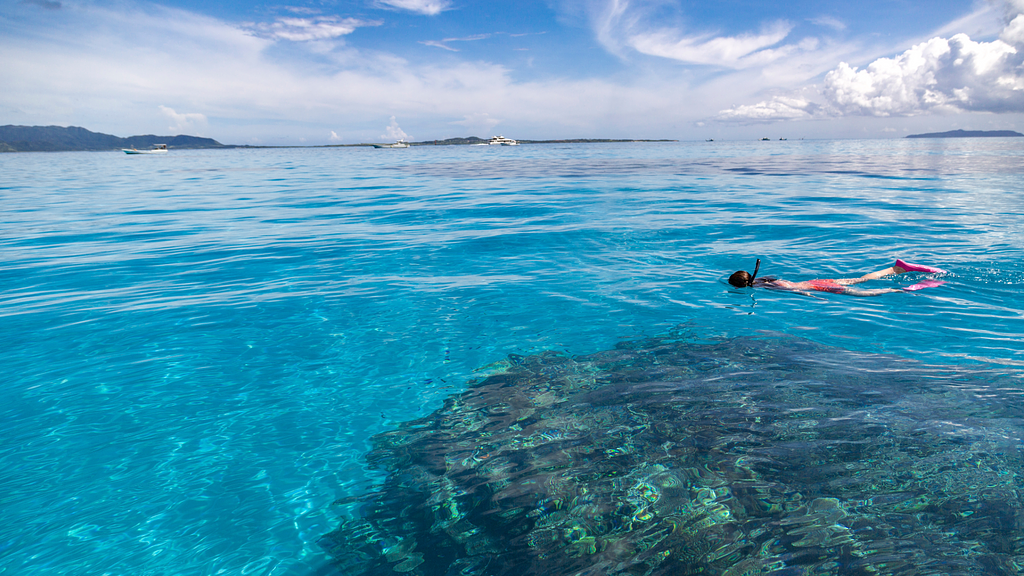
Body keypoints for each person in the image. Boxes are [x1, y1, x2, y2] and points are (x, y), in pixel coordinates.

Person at [729, 259, 946, 297]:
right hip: (822, 281)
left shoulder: (771, 288)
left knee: (867, 294)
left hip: (822, 288)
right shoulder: (766, 280)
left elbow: (795, 290)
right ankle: (897, 269)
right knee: (860, 279)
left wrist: (813, 297)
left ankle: (905, 289)